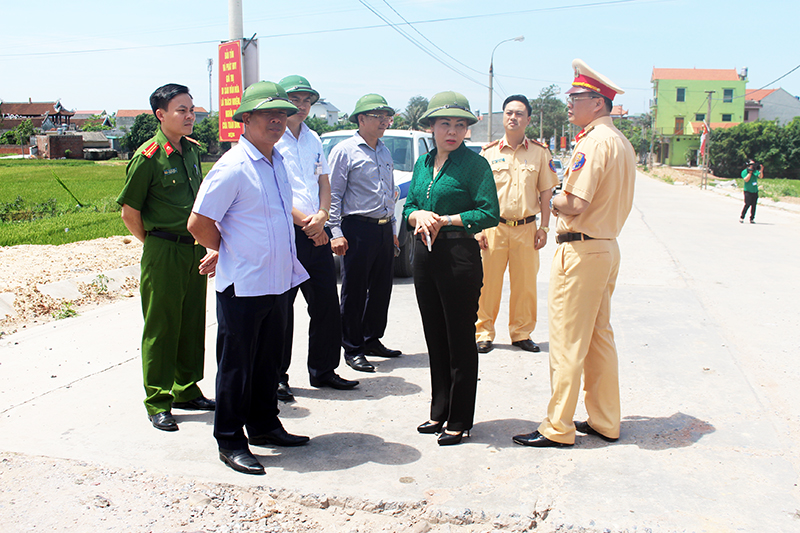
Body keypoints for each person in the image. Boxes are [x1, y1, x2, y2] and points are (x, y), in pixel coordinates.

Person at [188, 81, 310, 475]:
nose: (277, 121)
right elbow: (199, 222)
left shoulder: (277, 162)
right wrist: (227, 250)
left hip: (278, 281)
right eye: (266, 114)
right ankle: (229, 439)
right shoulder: (233, 167)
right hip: (244, 286)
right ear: (246, 120)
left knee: (268, 363)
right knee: (237, 366)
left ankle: (264, 425)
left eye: (281, 114)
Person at [513, 59, 635, 448]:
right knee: (599, 337)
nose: (570, 102)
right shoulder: (620, 142)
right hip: (605, 248)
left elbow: (576, 201)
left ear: (597, 103)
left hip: (581, 250)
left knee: (567, 340)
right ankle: (604, 419)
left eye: (576, 97)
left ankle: (558, 426)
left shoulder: (594, 141)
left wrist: (548, 198)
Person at [117, 83, 217, 432]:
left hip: (193, 248)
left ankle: (186, 388)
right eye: (181, 110)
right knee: (161, 326)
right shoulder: (148, 157)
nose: (189, 116)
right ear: (161, 115)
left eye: (192, 109)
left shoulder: (191, 151)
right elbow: (130, 213)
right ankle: (158, 399)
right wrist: (157, 242)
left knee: (191, 322)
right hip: (163, 250)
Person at [404, 91, 499, 446]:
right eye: (445, 123)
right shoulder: (423, 163)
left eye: (460, 125)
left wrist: (447, 219)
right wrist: (417, 215)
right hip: (425, 255)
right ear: (430, 126)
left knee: (459, 338)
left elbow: (489, 212)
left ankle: (460, 418)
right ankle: (438, 409)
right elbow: (410, 205)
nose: (452, 131)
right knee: (435, 335)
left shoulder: (475, 166)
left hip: (459, 256)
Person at [275, 75, 358, 401]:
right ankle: (277, 377)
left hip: (317, 230)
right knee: (282, 310)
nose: (302, 105)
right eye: (295, 99)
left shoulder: (313, 139)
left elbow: (324, 181)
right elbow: (274, 190)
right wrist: (307, 222)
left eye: (307, 100)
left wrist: (322, 216)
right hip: (287, 232)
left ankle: (323, 370)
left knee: (325, 304)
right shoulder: (271, 137)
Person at [475, 95, 559, 354]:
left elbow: (546, 193)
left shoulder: (539, 152)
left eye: (519, 114)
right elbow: (476, 193)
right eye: (509, 112)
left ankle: (521, 333)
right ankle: (483, 332)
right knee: (487, 283)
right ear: (503, 116)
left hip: (526, 228)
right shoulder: (488, 153)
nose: (513, 117)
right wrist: (477, 229)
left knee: (525, 285)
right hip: (494, 228)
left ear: (528, 120)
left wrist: (544, 228)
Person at [328, 93, 402, 373]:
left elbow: (390, 193)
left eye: (387, 116)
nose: (384, 121)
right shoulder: (345, 151)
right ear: (361, 119)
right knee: (355, 290)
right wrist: (335, 231)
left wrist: (392, 228)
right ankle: (353, 347)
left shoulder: (384, 150)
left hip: (383, 229)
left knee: (382, 288)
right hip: (356, 229)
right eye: (378, 116)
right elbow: (334, 195)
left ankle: (372, 339)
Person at [740, 159, 762, 223]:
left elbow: (760, 176)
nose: (752, 166)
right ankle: (742, 217)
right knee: (747, 204)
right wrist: (750, 173)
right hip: (747, 191)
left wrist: (761, 170)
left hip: (755, 191)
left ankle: (752, 218)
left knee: (754, 205)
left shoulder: (755, 171)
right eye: (751, 165)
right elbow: (746, 180)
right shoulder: (744, 172)